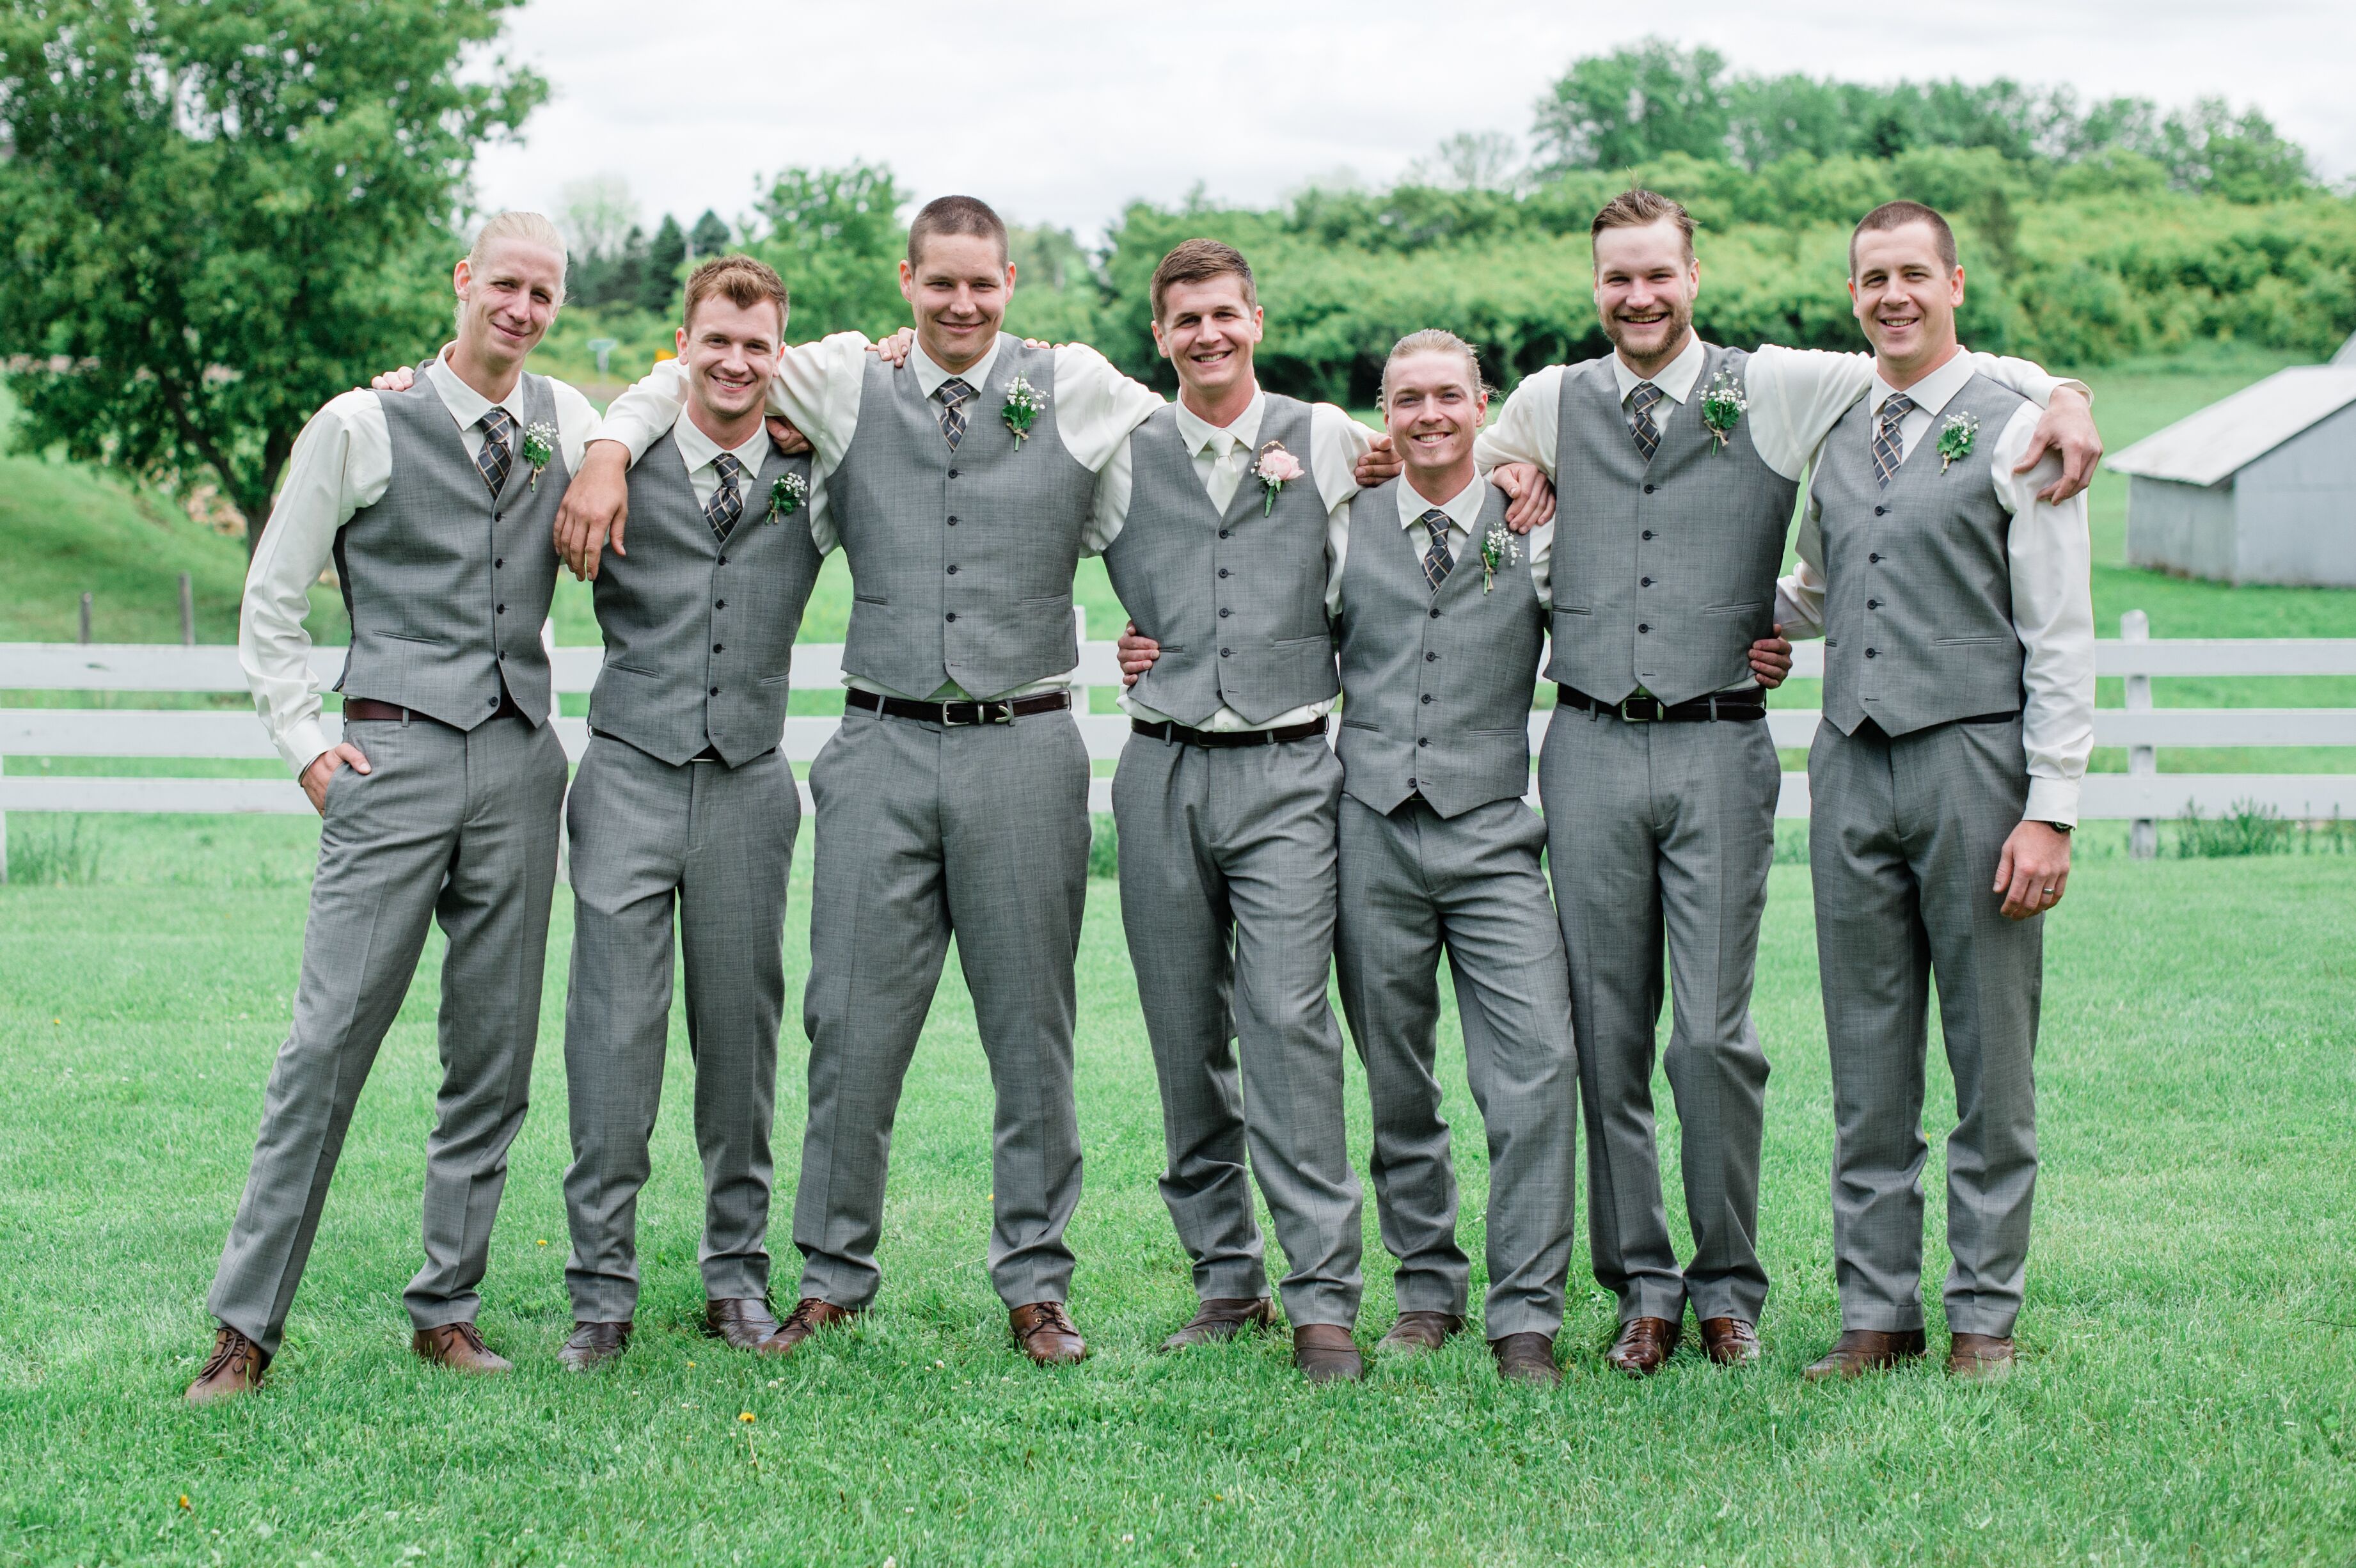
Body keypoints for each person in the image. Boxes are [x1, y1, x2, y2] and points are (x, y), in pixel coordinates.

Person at [1473, 189, 2102, 1376]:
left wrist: (2066, 392)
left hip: (1815, 752)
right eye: (1618, 277)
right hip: (1648, 745)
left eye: (1659, 274)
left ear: (1695, 276)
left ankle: (1860, 1303)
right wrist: (1516, 483)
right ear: (1595, 284)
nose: (1640, 296)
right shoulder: (1556, 402)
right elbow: (1450, 446)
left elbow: (1966, 400)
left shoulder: (1796, 388)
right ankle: (1714, 1296)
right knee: (1660, 1045)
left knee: (1739, 1041)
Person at [558, 196, 1163, 1366]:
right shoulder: (837, 378)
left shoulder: (1074, 382)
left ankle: (1035, 1284)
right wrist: (599, 448)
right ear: (907, 281)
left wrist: (1375, 450)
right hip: (879, 747)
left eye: (982, 284)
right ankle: (833, 1273)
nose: (962, 304)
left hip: (1027, 743)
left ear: (1010, 278)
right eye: (939, 283)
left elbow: (1198, 430)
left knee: (1032, 1025)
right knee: (846, 1022)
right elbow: (684, 376)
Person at [1095, 242, 1549, 1382]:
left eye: (1225, 315)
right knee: (1184, 1040)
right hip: (1159, 767)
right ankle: (1224, 1282)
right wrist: (1137, 650)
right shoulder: (1116, 452)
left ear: (1257, 320)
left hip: (1296, 773)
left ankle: (1323, 1299)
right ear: (1161, 336)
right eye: (1185, 319)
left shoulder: (1334, 442)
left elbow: (1438, 473)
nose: (1207, 335)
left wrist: (1519, 467)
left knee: (1292, 1028)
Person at [189, 213, 593, 1402]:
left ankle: (447, 1311)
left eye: (544, 294)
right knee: (325, 1047)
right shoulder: (360, 422)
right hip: (391, 758)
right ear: (464, 282)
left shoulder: (567, 419)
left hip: (521, 763)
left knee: (493, 1053)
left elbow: (678, 395)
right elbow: (271, 601)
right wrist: (309, 748)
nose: (521, 310)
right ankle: (246, 1326)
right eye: (505, 285)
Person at [1775, 200, 2094, 1384]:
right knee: (1865, 1060)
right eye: (1872, 279)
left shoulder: (2020, 426)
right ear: (1853, 295)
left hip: (1976, 767)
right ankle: (1878, 1313)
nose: (1893, 295)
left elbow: (2059, 629)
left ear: (1954, 283)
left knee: (1990, 1063)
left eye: (1914, 274)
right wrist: (1737, 625)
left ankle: (1984, 1320)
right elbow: (1821, 584)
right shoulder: (1842, 428)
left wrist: (2050, 806)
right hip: (1849, 763)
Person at [551, 255, 826, 1370]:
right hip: (624, 770)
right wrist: (611, 447)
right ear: (683, 341)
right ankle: (600, 1294)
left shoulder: (822, 466)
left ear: (780, 356)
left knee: (740, 1041)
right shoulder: (613, 455)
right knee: (610, 1040)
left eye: (757, 345)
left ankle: (735, 1280)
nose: (736, 362)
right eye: (717, 340)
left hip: (751, 783)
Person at [1325, 332, 1579, 1385]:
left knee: (1536, 1069)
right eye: (1406, 399)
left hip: (1492, 831)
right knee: (1397, 1077)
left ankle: (1527, 1312)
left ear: (1484, 407)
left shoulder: (1537, 522)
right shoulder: (1341, 522)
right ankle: (1426, 1288)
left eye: (1448, 396)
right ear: (1382, 413)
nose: (1429, 414)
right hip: (1369, 825)